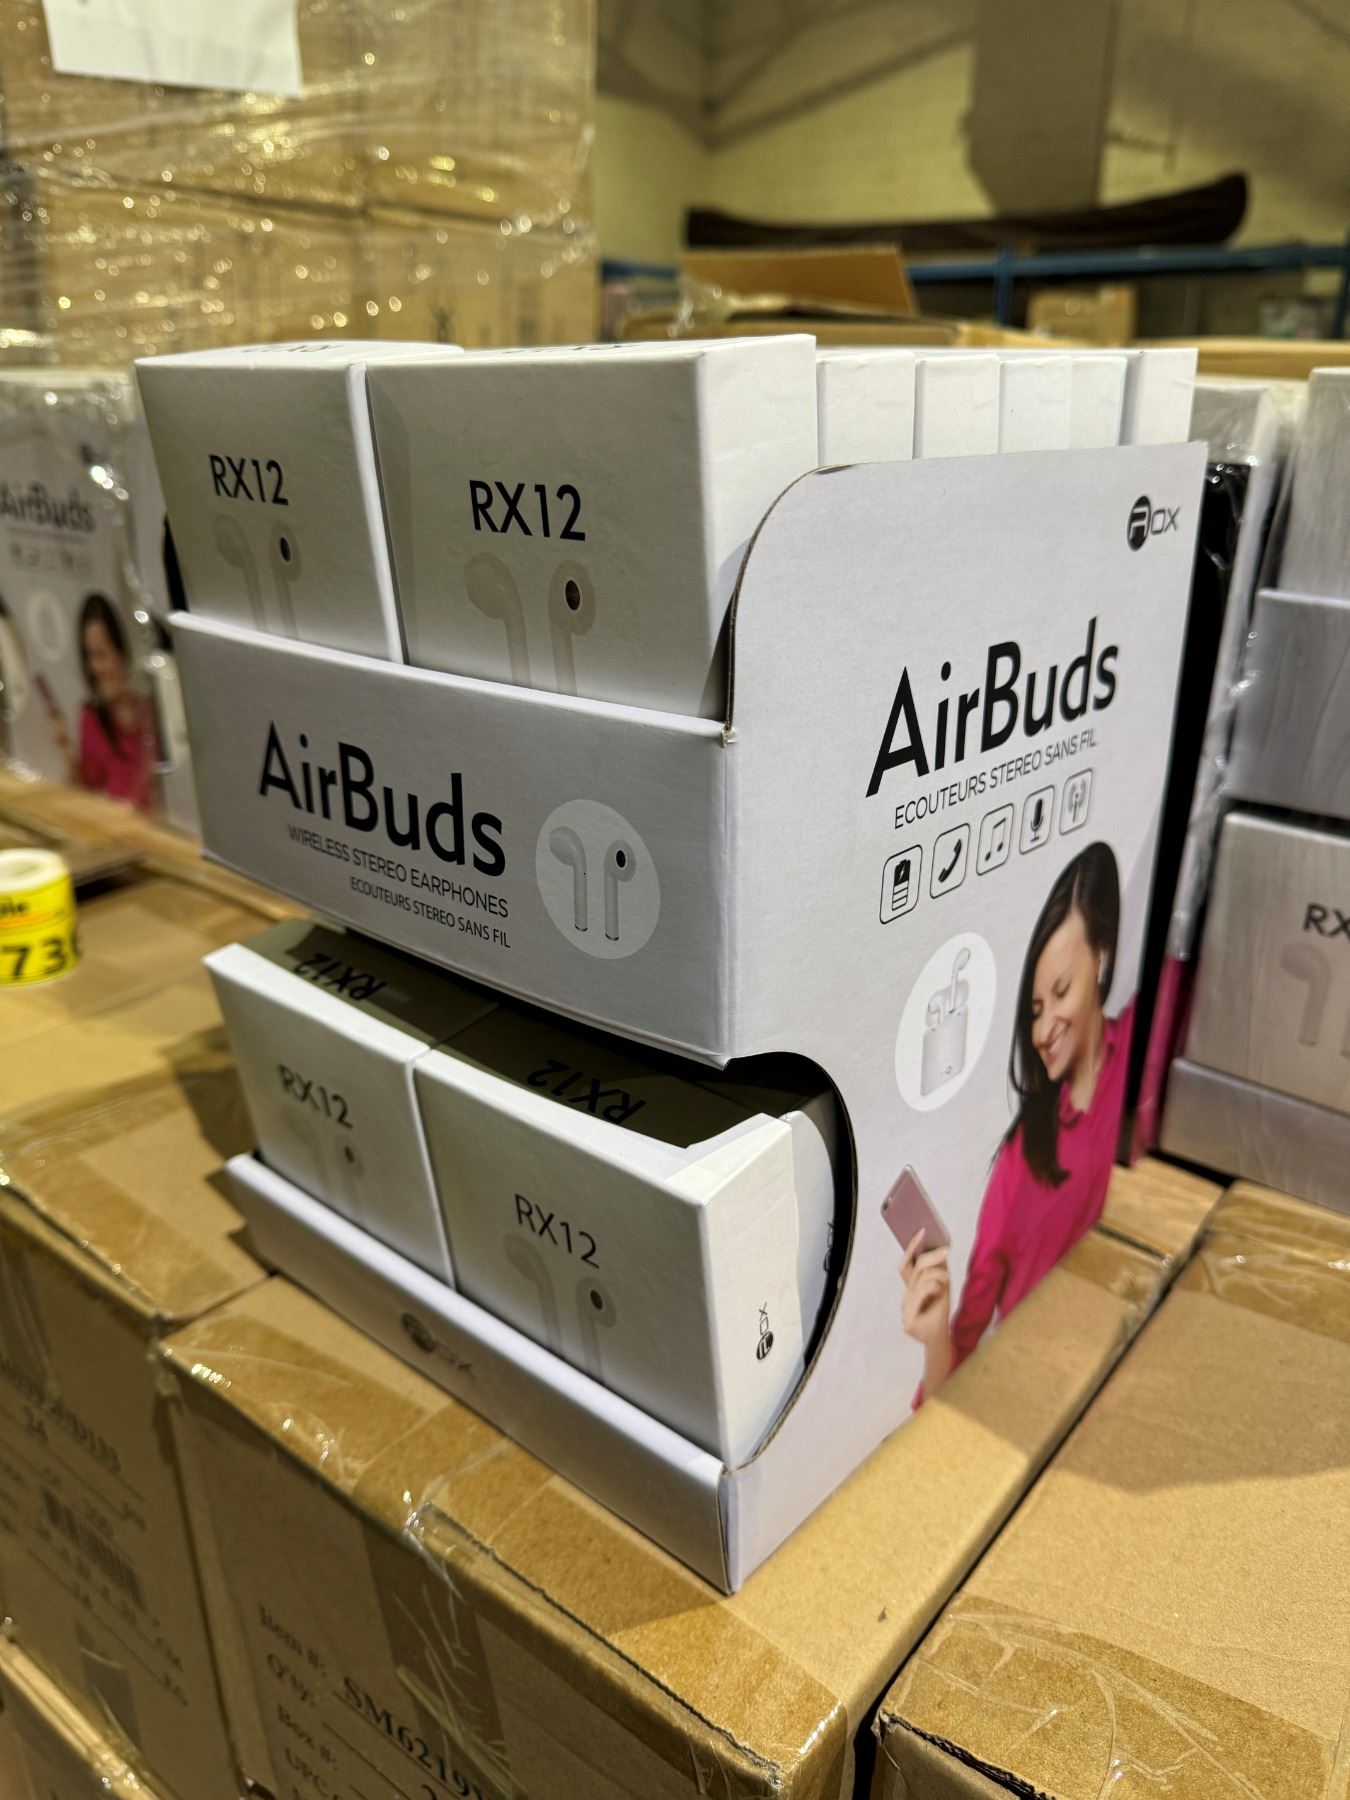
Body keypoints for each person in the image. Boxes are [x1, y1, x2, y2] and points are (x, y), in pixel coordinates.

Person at [902, 842, 1130, 1399]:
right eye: (1034, 1010)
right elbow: (963, 1357)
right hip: (1039, 1397)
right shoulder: (1022, 1162)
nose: (1044, 1028)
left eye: (1061, 992)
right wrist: (934, 1338)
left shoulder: (1137, 1056)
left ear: (1101, 958)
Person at [46, 593, 158, 812]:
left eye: (102, 655)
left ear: (122, 651)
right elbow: (85, 791)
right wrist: (65, 748)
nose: (95, 668)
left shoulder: (153, 712)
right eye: (89, 657)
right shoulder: (92, 717)